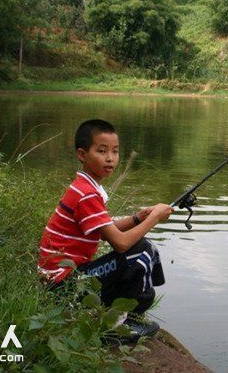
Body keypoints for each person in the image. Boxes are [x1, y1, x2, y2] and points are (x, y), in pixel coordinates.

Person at [37, 119, 174, 341]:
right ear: (82, 154)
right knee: (142, 249)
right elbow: (119, 243)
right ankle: (120, 326)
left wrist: (138, 218)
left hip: (62, 282)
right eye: (102, 151)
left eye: (115, 151)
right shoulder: (87, 194)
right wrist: (156, 217)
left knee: (139, 250)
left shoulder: (85, 187)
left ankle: (122, 311)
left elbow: (102, 231)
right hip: (63, 288)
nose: (110, 158)